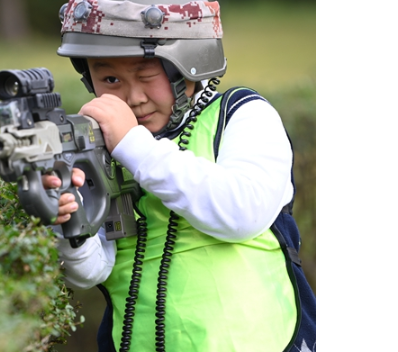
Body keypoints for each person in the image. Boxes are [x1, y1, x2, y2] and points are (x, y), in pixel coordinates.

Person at [42, 1, 317, 351]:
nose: (133, 98)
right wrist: (69, 225)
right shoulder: (101, 144)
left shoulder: (243, 116)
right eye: (110, 79)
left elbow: (241, 213)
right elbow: (90, 271)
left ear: (191, 65)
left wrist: (132, 144)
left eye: (146, 76)